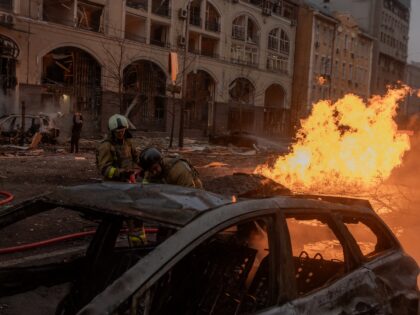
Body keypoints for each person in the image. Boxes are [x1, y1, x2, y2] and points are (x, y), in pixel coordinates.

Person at [96, 114, 140, 181]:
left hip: (129, 181)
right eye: (118, 132)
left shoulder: (128, 143)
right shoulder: (106, 146)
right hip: (113, 184)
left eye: (123, 131)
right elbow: (104, 169)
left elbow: (136, 159)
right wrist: (121, 172)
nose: (121, 133)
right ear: (112, 132)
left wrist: (137, 169)